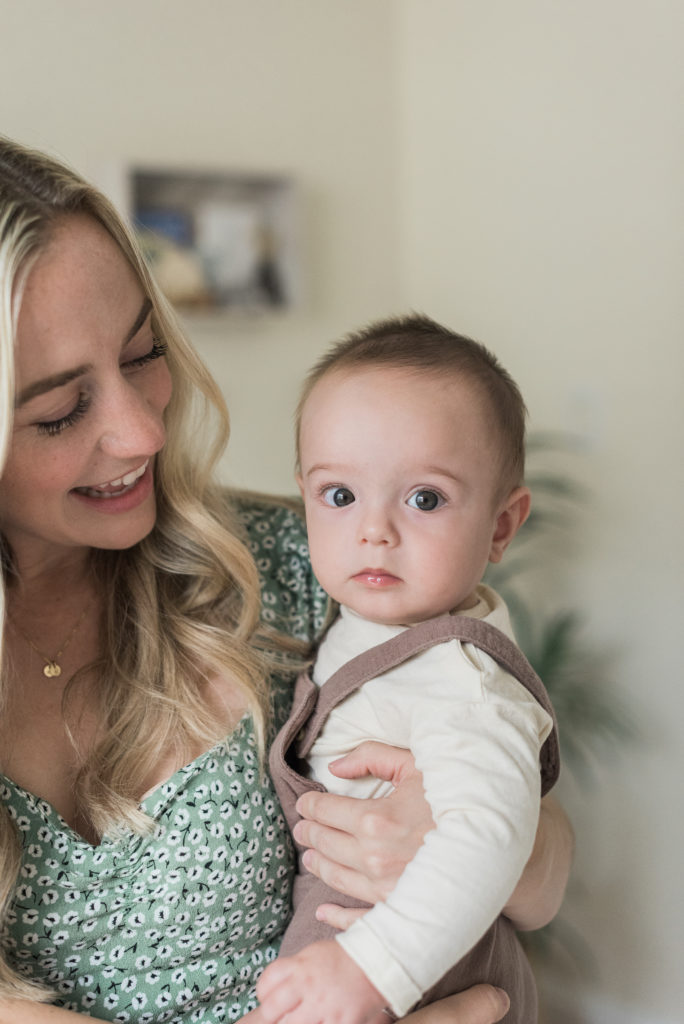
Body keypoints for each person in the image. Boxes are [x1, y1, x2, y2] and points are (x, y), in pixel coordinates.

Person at [0, 136, 572, 1024]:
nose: (142, 433)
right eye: (59, 410)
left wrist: (461, 844)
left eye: (144, 354)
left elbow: (543, 880)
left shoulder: (299, 566)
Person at [259, 316, 561, 1024]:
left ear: (500, 527)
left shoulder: (464, 680)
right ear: (303, 493)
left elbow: (486, 839)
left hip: (422, 976)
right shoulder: (366, 625)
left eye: (424, 499)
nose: (374, 530)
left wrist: (374, 968)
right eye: (340, 496)